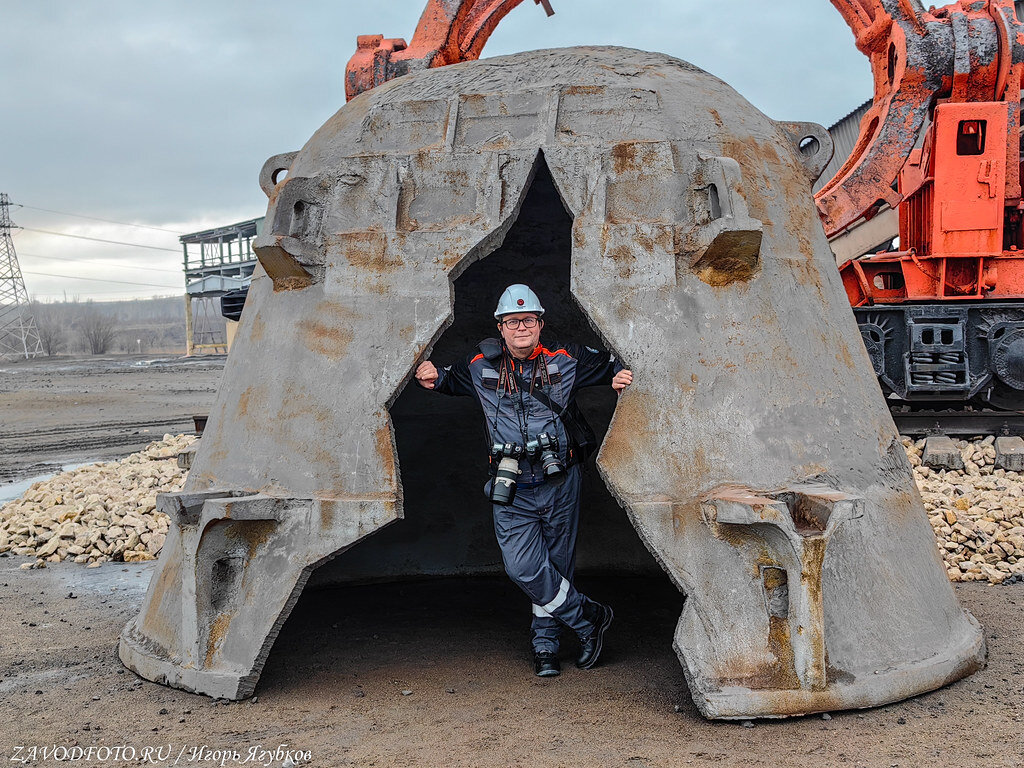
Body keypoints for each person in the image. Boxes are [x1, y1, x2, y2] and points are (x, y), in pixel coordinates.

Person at [414, 284, 633, 677]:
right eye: (512, 321)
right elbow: (445, 381)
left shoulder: (566, 359)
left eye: (528, 320)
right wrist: (430, 374)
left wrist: (619, 375)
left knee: (557, 565)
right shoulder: (479, 365)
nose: (521, 328)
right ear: (500, 327)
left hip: (559, 480)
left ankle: (545, 646)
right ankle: (588, 620)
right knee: (524, 568)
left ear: (540, 324)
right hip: (510, 485)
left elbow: (619, 360)